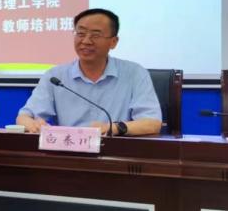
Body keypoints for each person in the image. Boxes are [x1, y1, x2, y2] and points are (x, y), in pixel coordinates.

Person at [16, 8, 162, 136]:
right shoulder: (55, 76)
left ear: (113, 42)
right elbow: (24, 117)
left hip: (116, 150)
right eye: (80, 33)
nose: (86, 41)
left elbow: (152, 123)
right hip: (69, 151)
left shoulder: (134, 73)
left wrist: (114, 128)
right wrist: (33, 125)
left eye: (95, 35)